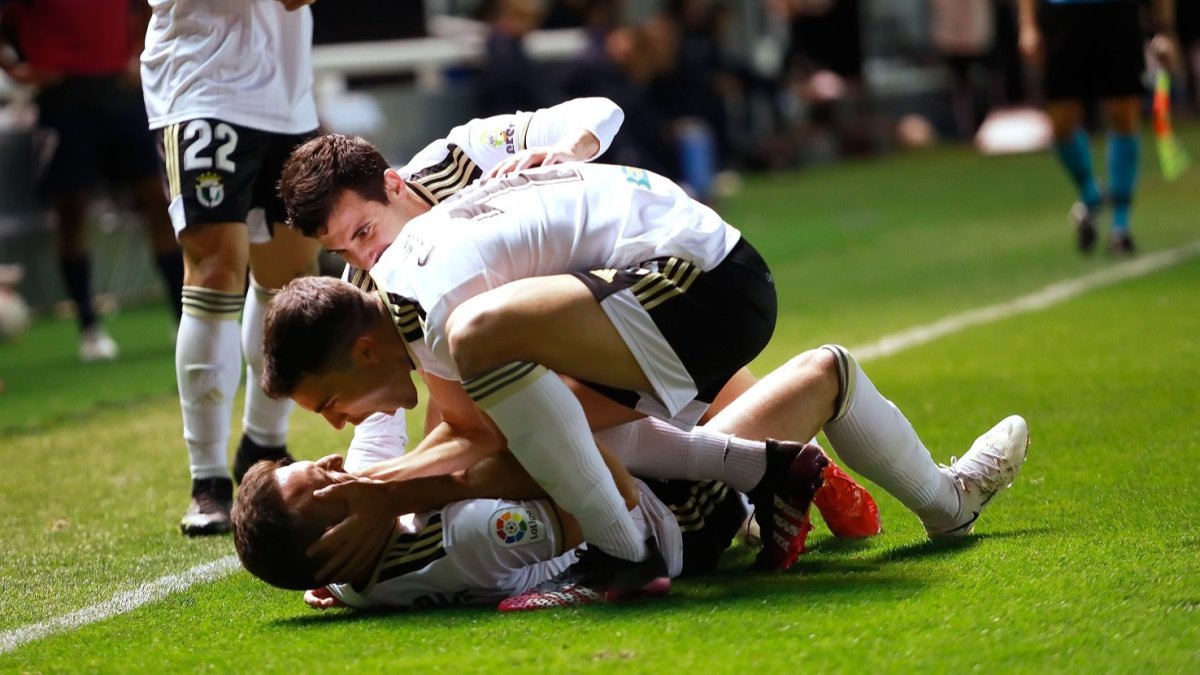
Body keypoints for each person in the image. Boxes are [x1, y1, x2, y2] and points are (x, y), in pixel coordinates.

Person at [264, 155, 1030, 610]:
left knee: (489, 345)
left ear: (365, 352)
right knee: (822, 369)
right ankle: (935, 500)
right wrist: (385, 490)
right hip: (700, 264)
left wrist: (385, 493)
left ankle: (630, 552)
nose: (339, 434)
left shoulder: (422, 306)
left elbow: (491, 447)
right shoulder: (402, 283)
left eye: (330, 407)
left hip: (697, 279)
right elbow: (481, 439)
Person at [139, 0, 330, 535]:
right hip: (203, 86)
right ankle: (208, 481)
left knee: (290, 278)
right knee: (216, 270)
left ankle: (263, 445)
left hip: (284, 92)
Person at [232, 450, 748, 612]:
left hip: (631, 490)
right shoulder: (471, 535)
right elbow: (591, 484)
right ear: (337, 539)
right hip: (670, 514)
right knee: (826, 367)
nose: (336, 459)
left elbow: (324, 579)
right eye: (326, 480)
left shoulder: (349, 577)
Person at [0, 0, 185, 362]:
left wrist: (138, 53)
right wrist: (18, 70)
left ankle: (182, 319)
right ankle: (89, 327)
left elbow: (147, 7)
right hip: (64, 97)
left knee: (157, 198)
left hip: (120, 91)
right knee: (72, 210)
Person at [1017, 0, 1179, 254]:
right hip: (1062, 13)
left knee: (1123, 114)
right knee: (1060, 122)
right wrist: (1027, 25)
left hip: (1115, 12)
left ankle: (1120, 227)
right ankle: (1091, 194)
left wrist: (1165, 30)